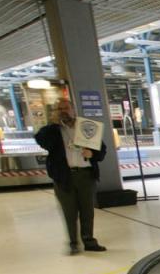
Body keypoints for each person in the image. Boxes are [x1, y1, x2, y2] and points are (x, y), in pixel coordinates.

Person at [34, 97, 107, 255]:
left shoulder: (85, 127)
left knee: (87, 210)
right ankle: (73, 242)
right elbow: (41, 140)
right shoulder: (53, 131)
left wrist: (92, 153)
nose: (64, 111)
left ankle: (89, 240)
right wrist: (53, 123)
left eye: (66, 108)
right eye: (60, 109)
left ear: (73, 109)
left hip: (85, 175)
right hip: (64, 177)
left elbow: (102, 151)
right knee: (69, 211)